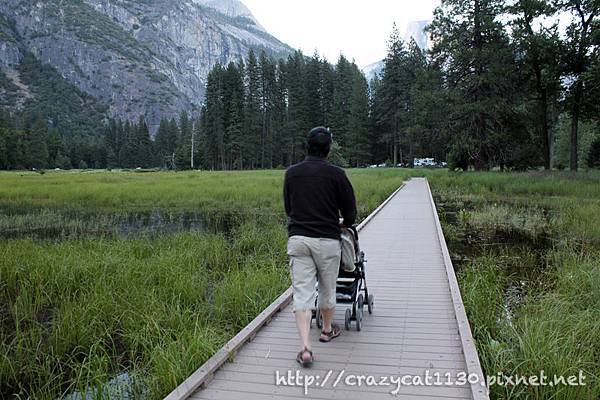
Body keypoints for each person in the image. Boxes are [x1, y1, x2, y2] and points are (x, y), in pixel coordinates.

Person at [283, 126, 357, 367]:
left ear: (308, 147)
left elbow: (288, 209)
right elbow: (351, 214)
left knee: (302, 293)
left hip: (299, 239)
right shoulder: (337, 174)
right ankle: (326, 330)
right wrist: (342, 223)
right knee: (328, 287)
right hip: (327, 240)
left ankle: (305, 347)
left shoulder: (291, 173)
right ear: (328, 150)